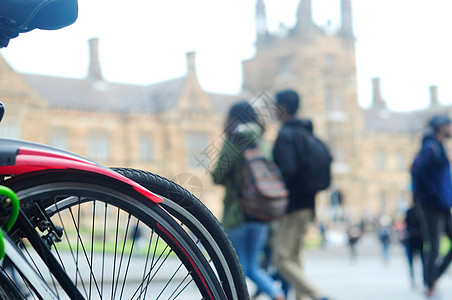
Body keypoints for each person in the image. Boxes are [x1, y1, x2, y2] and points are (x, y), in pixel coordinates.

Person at [211, 101, 286, 300]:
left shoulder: (234, 139)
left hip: (237, 213)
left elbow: (217, 175)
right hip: (262, 213)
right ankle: (277, 294)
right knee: (252, 266)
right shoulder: (263, 141)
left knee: (234, 266)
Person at [272, 89, 329, 300]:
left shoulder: (286, 135)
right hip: (308, 204)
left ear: (283, 108)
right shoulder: (307, 132)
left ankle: (318, 296)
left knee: (281, 259)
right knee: (294, 257)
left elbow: (287, 170)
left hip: (291, 205)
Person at [411, 114, 452, 298]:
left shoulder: (437, 147)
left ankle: (433, 277)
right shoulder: (430, 148)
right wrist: (434, 196)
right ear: (441, 127)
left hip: (442, 204)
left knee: (436, 245)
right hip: (432, 205)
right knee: (434, 245)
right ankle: (429, 283)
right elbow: (419, 173)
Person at [403, 203, 425, 288]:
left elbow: (407, 224)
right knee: (422, 261)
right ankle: (423, 280)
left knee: (412, 261)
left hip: (412, 238)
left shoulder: (409, 211)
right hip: (419, 238)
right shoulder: (422, 210)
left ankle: (414, 279)